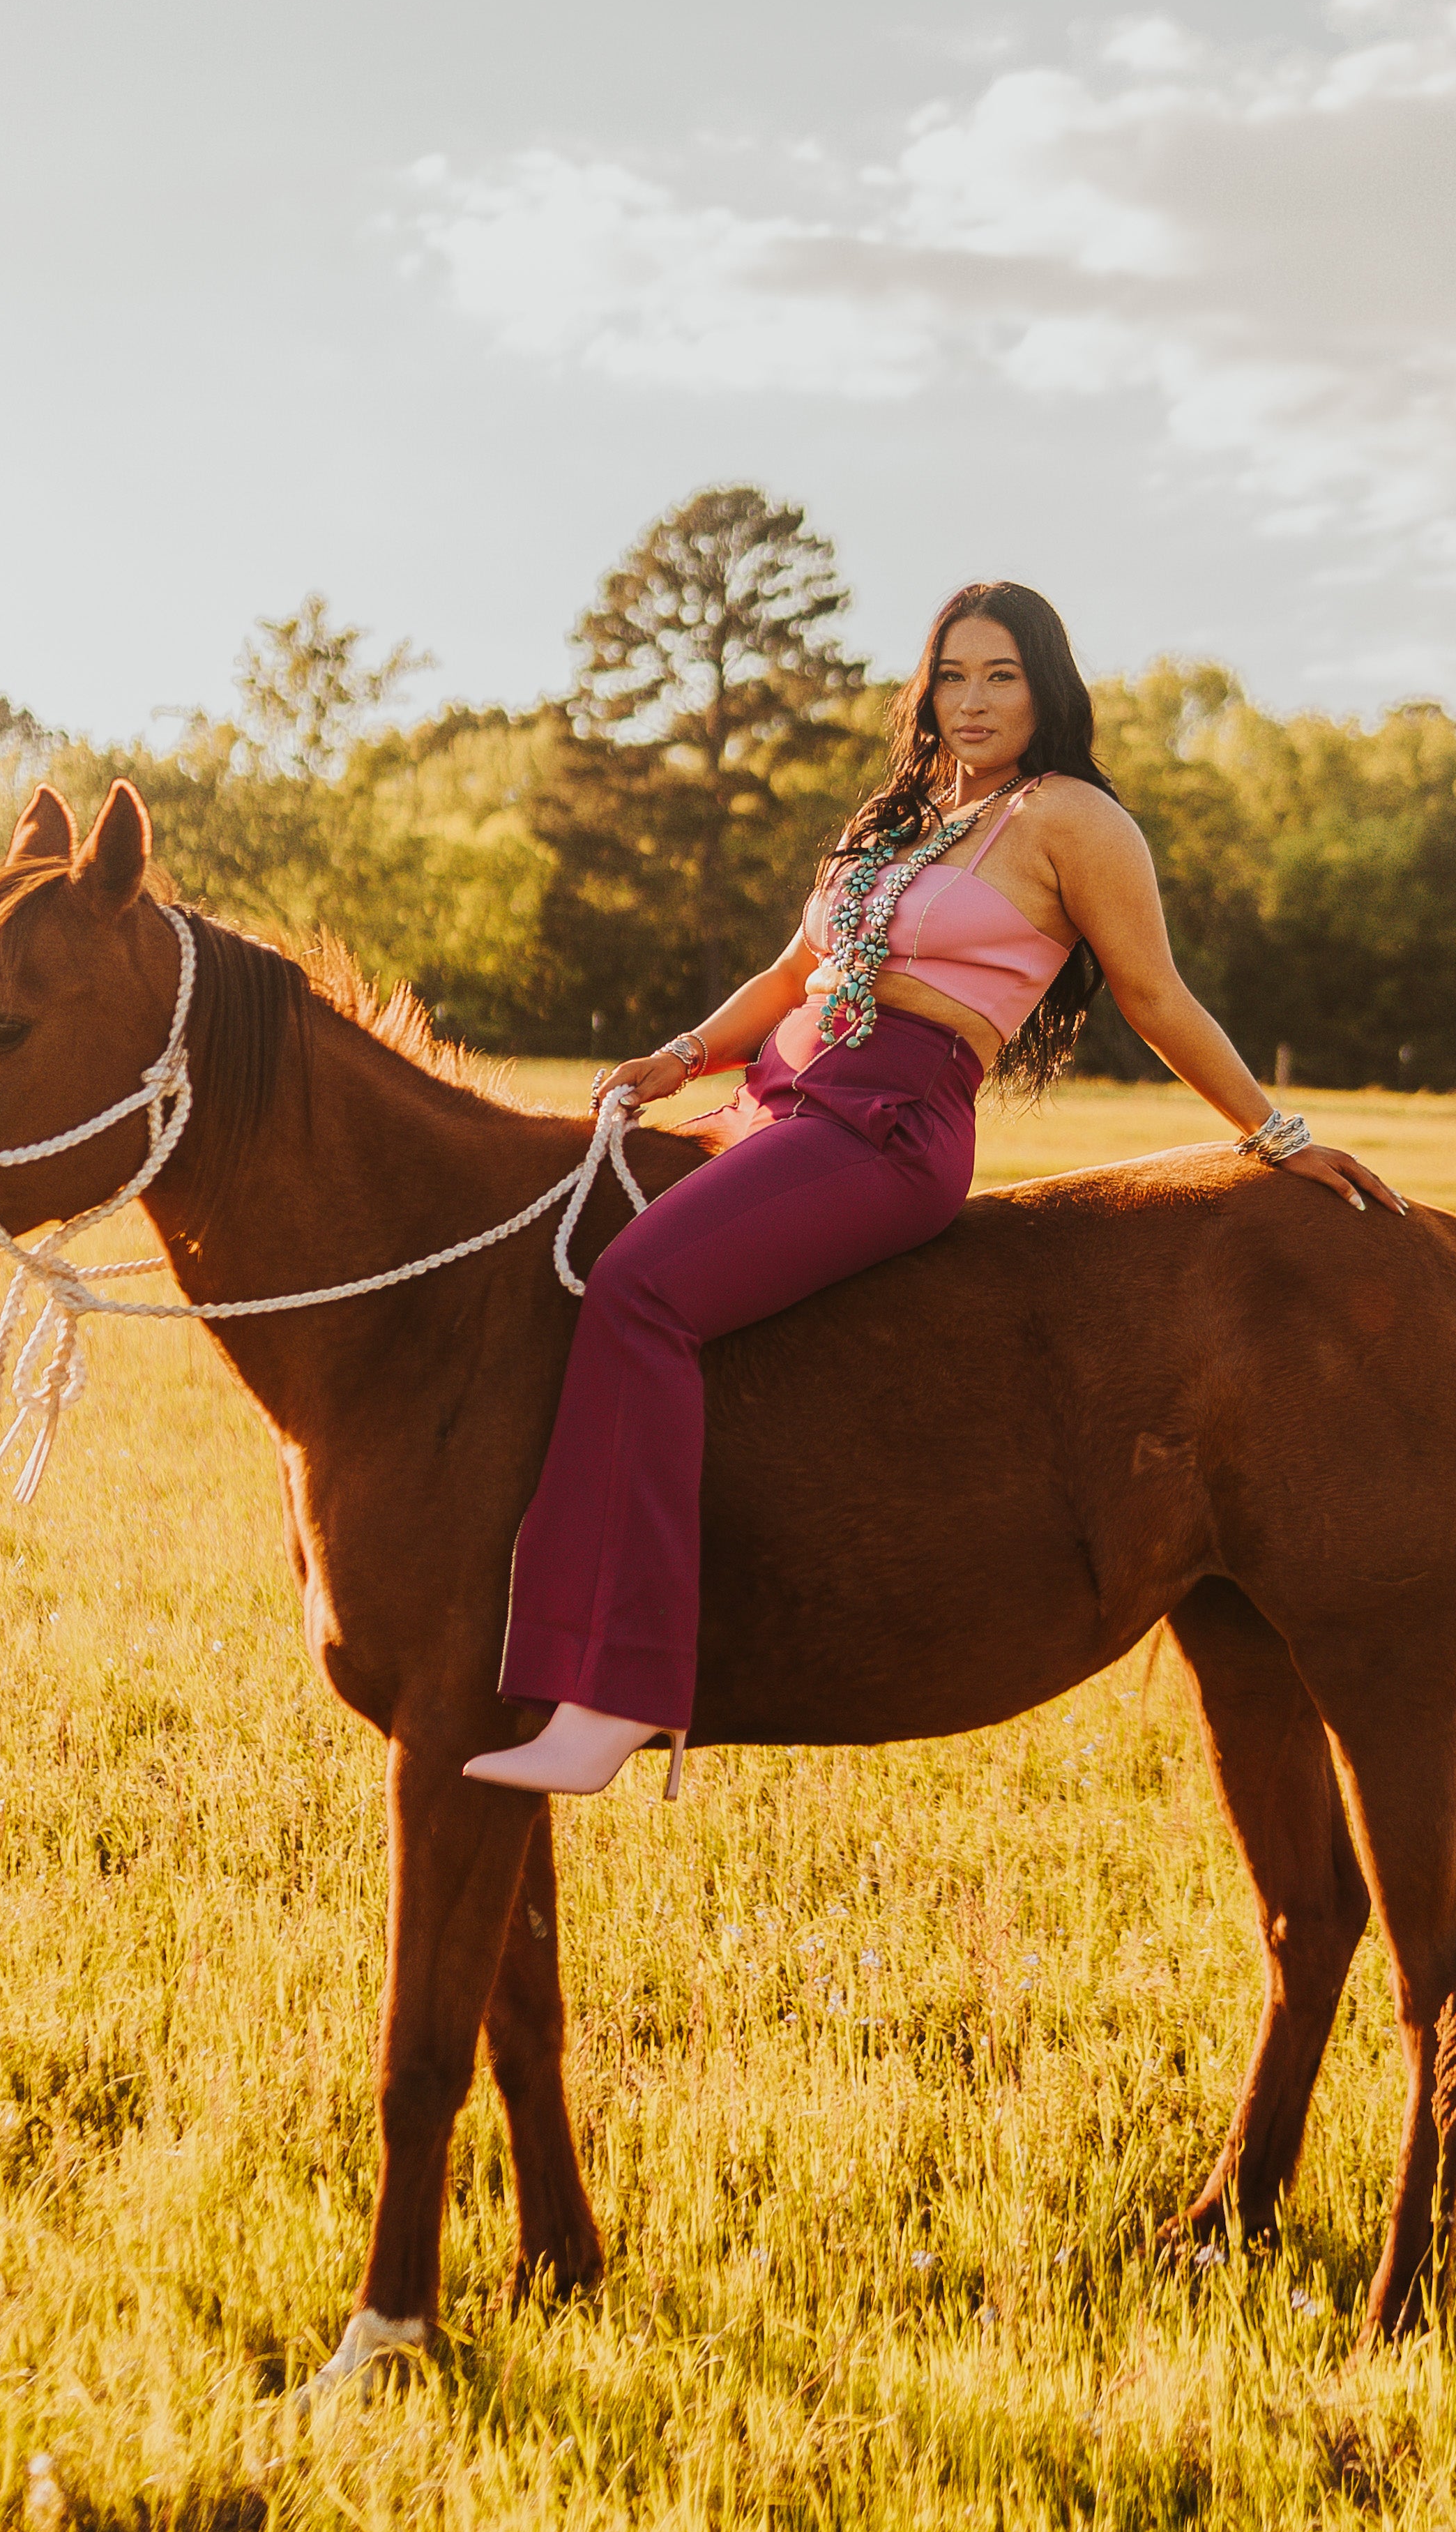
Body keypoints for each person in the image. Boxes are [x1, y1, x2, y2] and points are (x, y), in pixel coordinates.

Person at [466, 581, 1403, 1801]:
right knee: (571, 1250)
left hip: (887, 1125)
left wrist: (1278, 1136)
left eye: (1002, 676)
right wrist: (678, 1057)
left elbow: (1157, 997)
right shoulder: (896, 817)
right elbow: (793, 970)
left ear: (1048, 688)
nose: (973, 701)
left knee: (640, 1296)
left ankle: (621, 1696)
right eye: (953, 675)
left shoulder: (1076, 822)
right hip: (775, 1097)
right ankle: (523, 1646)